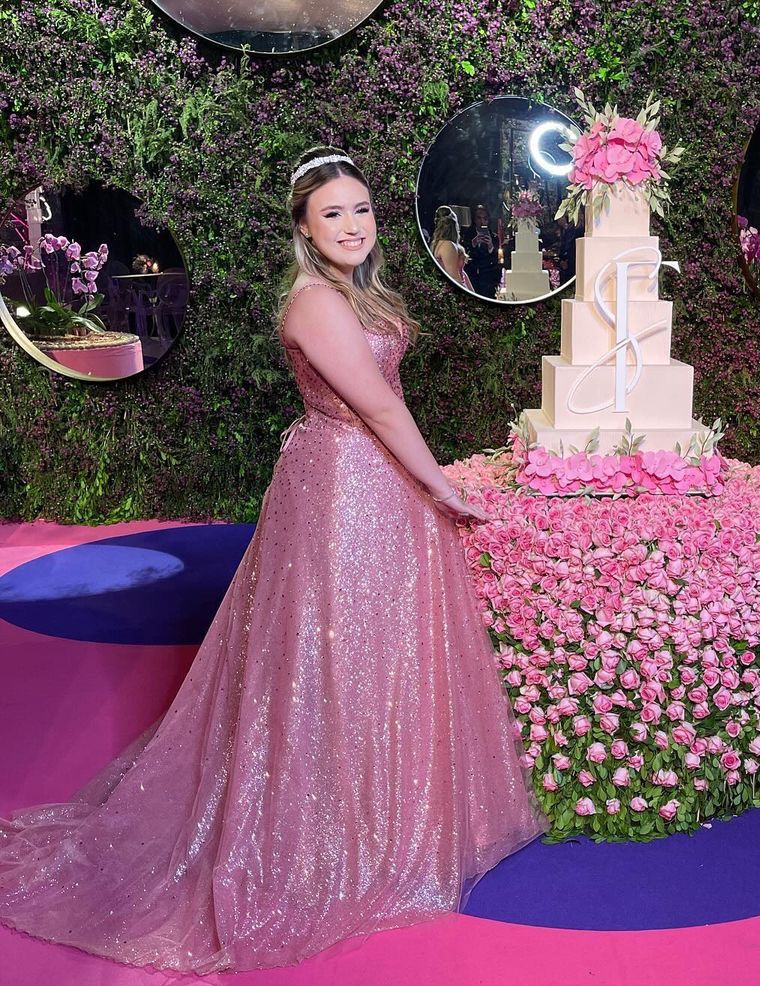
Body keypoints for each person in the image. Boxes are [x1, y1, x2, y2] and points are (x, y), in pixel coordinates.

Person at [0, 146, 550, 973]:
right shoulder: (316, 303)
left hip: (369, 478)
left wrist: (422, 485)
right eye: (333, 214)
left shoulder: (354, 293)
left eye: (360, 209)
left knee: (374, 649)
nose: (352, 225)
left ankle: (393, 810)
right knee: (337, 652)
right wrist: (442, 485)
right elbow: (378, 408)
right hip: (347, 487)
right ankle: (336, 831)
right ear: (303, 228)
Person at [429, 206, 474, 291]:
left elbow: (462, 274)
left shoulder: (444, 244)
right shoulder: (448, 245)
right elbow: (454, 278)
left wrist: (473, 293)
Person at [462, 204, 500, 299]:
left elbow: (497, 258)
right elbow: (463, 252)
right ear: (475, 219)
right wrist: (473, 243)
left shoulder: (494, 237)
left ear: (488, 220)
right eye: (479, 218)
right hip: (473, 273)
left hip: (488, 275)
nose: (482, 221)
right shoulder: (467, 235)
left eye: (485, 218)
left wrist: (490, 246)